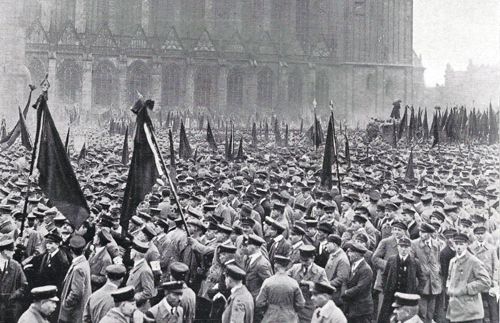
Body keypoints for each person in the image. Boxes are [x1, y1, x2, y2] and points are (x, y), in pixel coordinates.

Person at [378, 237, 425, 323]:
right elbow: (384, 275)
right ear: (398, 247)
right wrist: (385, 289)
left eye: (406, 247)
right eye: (401, 247)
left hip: (407, 296)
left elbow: (422, 279)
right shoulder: (391, 260)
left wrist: (417, 292)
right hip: (391, 296)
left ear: (410, 248)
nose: (403, 250)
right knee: (387, 317)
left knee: (405, 318)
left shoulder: (415, 262)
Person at [446, 233, 491, 323]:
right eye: (456, 243)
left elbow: (486, 281)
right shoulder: (453, 261)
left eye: (461, 244)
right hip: (455, 310)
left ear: (466, 245)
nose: (458, 247)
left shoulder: (473, 261)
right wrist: (449, 288)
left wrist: (466, 288)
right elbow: (449, 278)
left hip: (470, 313)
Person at [256, 255, 305, 323]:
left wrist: (269, 308)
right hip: (289, 318)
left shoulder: (268, 282)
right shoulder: (293, 283)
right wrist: (291, 309)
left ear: (275, 266)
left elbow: (259, 302)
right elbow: (301, 303)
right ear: (287, 267)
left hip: (270, 317)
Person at [287, 244, 329, 323]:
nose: (303, 263)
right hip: (294, 306)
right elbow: (285, 278)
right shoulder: (295, 268)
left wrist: (312, 284)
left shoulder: (320, 271)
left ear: (313, 258)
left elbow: (326, 288)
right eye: (301, 260)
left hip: (309, 307)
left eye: (306, 260)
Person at [410, 223, 442, 323]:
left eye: (424, 232)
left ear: (429, 234)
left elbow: (438, 261)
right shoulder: (414, 244)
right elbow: (412, 262)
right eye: (420, 231)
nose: (421, 234)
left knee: (430, 313)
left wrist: (436, 271)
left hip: (434, 283)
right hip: (421, 282)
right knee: (422, 312)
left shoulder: (436, 244)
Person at [58, 235, 92, 323]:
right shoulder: (84, 262)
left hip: (74, 313)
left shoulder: (78, 268)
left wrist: (65, 305)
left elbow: (76, 293)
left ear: (70, 250)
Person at [342, 242, 374, 323]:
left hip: (362, 310)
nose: (348, 254)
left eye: (350, 252)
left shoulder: (366, 269)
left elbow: (360, 288)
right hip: (352, 308)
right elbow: (345, 280)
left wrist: (345, 292)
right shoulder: (352, 265)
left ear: (357, 254)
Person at [0, 237, 28, 323]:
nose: (14, 252)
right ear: (4, 251)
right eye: (12, 250)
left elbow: (24, 285)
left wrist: (13, 295)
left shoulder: (16, 265)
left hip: (11, 307)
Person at [127, 238, 157, 312]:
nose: (130, 252)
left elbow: (149, 292)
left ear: (136, 253)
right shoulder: (138, 265)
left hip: (140, 308)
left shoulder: (144, 270)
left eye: (132, 250)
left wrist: (133, 298)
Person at [323, 234, 350, 307]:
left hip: (335, 295)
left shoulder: (342, 259)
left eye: (328, 243)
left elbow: (341, 278)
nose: (326, 246)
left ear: (334, 245)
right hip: (329, 292)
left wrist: (326, 284)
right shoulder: (332, 254)